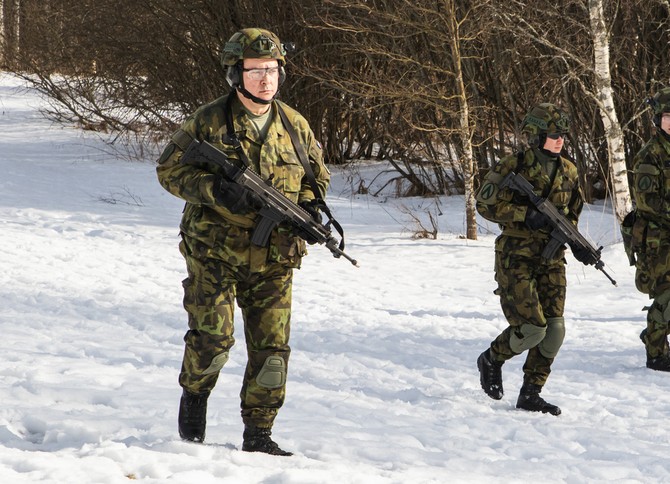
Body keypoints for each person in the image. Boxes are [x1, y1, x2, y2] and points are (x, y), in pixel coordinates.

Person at [156, 28, 329, 455]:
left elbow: (316, 178)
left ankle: (259, 433)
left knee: (272, 350)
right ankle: (195, 396)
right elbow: (168, 170)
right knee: (213, 340)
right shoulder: (209, 120)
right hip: (214, 252)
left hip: (275, 256)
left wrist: (309, 209)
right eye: (255, 71)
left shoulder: (294, 124)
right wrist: (215, 190)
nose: (265, 79)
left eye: (271, 70)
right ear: (236, 74)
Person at [474, 102, 594, 416]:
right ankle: (492, 358)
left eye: (563, 135)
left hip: (552, 258)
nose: (559, 140)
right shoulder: (514, 165)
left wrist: (579, 244)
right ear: (536, 135)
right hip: (517, 257)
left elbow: (572, 214)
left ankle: (531, 392)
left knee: (555, 330)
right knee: (532, 329)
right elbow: (484, 204)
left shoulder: (569, 170)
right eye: (552, 134)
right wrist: (523, 214)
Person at [626, 87, 670, 371]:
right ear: (657, 120)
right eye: (668, 116)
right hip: (659, 239)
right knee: (666, 295)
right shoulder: (649, 155)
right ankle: (656, 353)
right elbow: (648, 203)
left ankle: (654, 333)